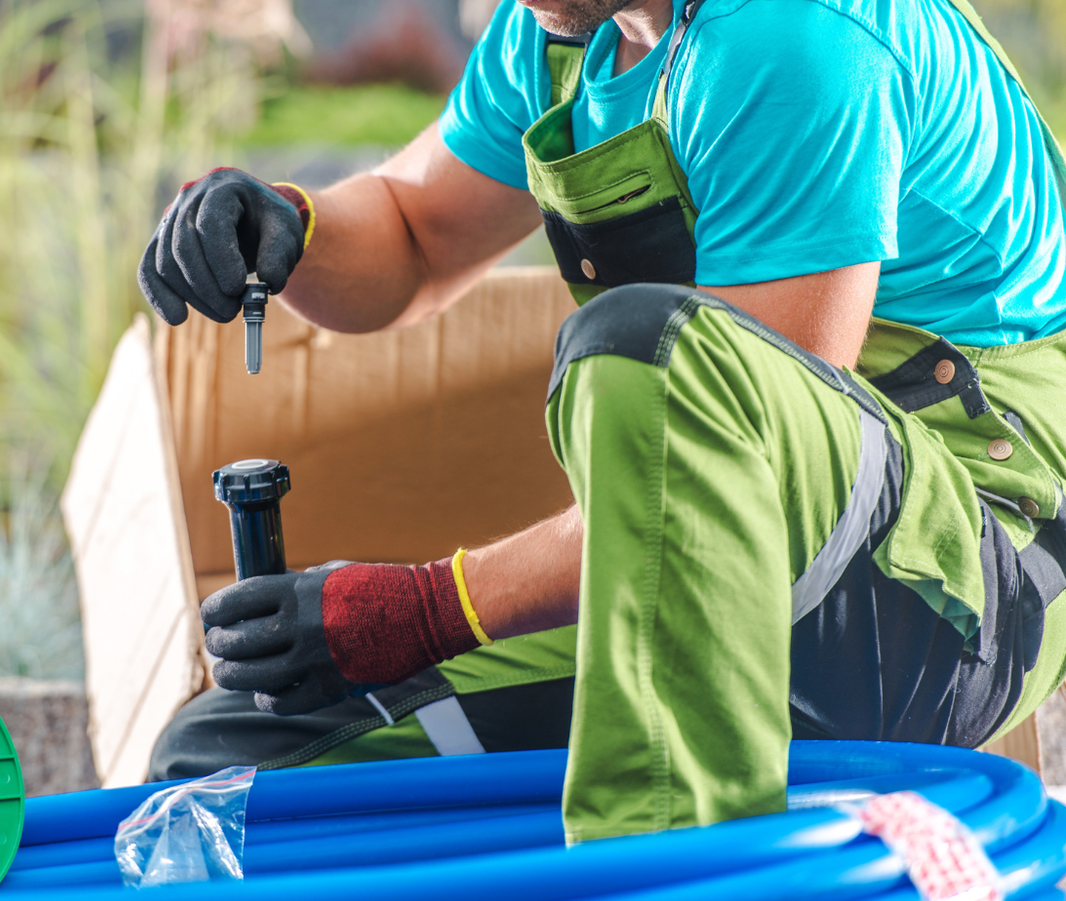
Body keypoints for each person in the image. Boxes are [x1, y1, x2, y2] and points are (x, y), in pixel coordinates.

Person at [138, 0, 1066, 842]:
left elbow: (750, 487)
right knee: (233, 766)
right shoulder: (567, 26)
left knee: (644, 342)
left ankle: (655, 864)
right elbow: (418, 231)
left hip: (954, 588)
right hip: (719, 550)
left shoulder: (794, 38)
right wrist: (290, 228)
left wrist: (422, 610)